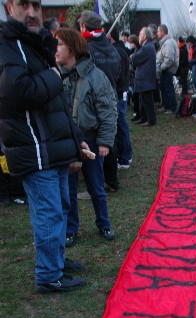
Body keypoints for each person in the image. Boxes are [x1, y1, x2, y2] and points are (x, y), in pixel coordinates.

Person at [0, 0, 87, 293]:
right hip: (34, 148)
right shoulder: (8, 44)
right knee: (49, 212)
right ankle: (49, 275)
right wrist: (54, 75)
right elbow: (15, 92)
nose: (33, 12)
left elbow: (57, 104)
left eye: (36, 4)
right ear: (9, 7)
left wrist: (76, 138)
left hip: (52, 145)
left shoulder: (35, 43)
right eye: (24, 4)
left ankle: (56, 260)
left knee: (61, 206)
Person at [55, 27, 117, 245]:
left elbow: (108, 111)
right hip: (65, 141)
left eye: (60, 45)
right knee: (68, 189)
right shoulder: (56, 75)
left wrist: (104, 142)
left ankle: (104, 223)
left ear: (71, 48)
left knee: (96, 186)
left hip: (90, 139)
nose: (56, 50)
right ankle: (71, 229)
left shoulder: (95, 77)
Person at [79, 10, 121, 192]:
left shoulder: (87, 49)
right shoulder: (111, 47)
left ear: (83, 27)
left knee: (98, 142)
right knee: (110, 138)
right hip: (111, 94)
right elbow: (119, 72)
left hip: (94, 99)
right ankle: (111, 180)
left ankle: (99, 184)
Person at [102, 23, 133, 169]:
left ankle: (125, 157)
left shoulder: (117, 52)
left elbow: (118, 74)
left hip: (119, 92)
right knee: (121, 124)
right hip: (120, 91)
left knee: (120, 125)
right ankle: (126, 155)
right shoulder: (119, 50)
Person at [132, 27, 157, 127]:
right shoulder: (147, 46)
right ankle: (144, 118)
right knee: (143, 100)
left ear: (145, 36)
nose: (139, 37)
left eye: (140, 35)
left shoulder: (146, 47)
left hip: (145, 78)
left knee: (147, 101)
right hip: (145, 78)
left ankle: (151, 120)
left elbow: (135, 58)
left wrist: (132, 56)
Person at [156, 24, 179, 114]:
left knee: (168, 88)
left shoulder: (168, 43)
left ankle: (172, 107)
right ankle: (166, 106)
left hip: (168, 69)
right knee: (164, 88)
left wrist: (161, 67)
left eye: (158, 31)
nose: (157, 33)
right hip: (166, 68)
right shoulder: (166, 42)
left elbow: (169, 59)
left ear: (162, 32)